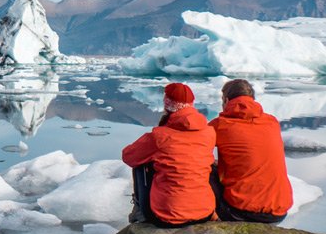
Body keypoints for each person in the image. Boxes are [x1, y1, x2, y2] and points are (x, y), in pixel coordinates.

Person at [121, 83, 217, 226]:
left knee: (140, 163)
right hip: (204, 213)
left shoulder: (159, 136)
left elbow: (128, 156)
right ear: (192, 104)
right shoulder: (209, 132)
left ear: (167, 104)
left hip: (167, 216)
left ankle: (139, 210)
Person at [209, 79, 293, 223]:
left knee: (200, 168)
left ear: (226, 100)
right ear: (253, 99)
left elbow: (193, 147)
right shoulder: (272, 122)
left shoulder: (220, 125)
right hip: (279, 211)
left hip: (240, 212)